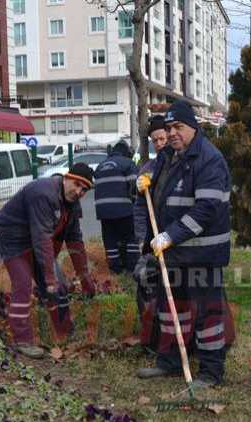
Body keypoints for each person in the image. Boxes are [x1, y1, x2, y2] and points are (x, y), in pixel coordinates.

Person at [134, 101, 233, 387]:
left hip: (203, 251)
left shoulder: (209, 160)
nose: (173, 133)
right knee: (171, 310)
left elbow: (206, 209)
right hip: (175, 253)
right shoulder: (169, 156)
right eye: (169, 128)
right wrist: (143, 182)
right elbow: (156, 185)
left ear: (194, 127)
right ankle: (171, 362)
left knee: (207, 314)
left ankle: (211, 372)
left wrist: (170, 236)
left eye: (178, 127)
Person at [0, 163, 97, 358]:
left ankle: (65, 331)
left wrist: (85, 277)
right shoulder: (43, 193)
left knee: (60, 286)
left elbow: (74, 240)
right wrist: (48, 279)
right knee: (23, 284)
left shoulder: (72, 204)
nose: (79, 191)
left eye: (84, 189)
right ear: (66, 177)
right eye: (77, 185)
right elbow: (42, 238)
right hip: (13, 238)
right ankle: (22, 340)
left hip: (37, 240)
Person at [132, 115, 171, 353]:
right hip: (151, 240)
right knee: (145, 284)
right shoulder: (147, 169)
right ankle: (150, 340)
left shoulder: (180, 164)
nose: (159, 144)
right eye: (155, 140)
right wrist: (140, 238)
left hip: (173, 238)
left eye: (162, 138)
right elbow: (138, 208)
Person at [93, 140, 139, 274]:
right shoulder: (127, 163)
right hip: (124, 209)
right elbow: (135, 186)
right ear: (126, 152)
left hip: (102, 211)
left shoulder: (100, 166)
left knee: (110, 238)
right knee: (131, 236)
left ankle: (115, 269)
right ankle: (131, 267)